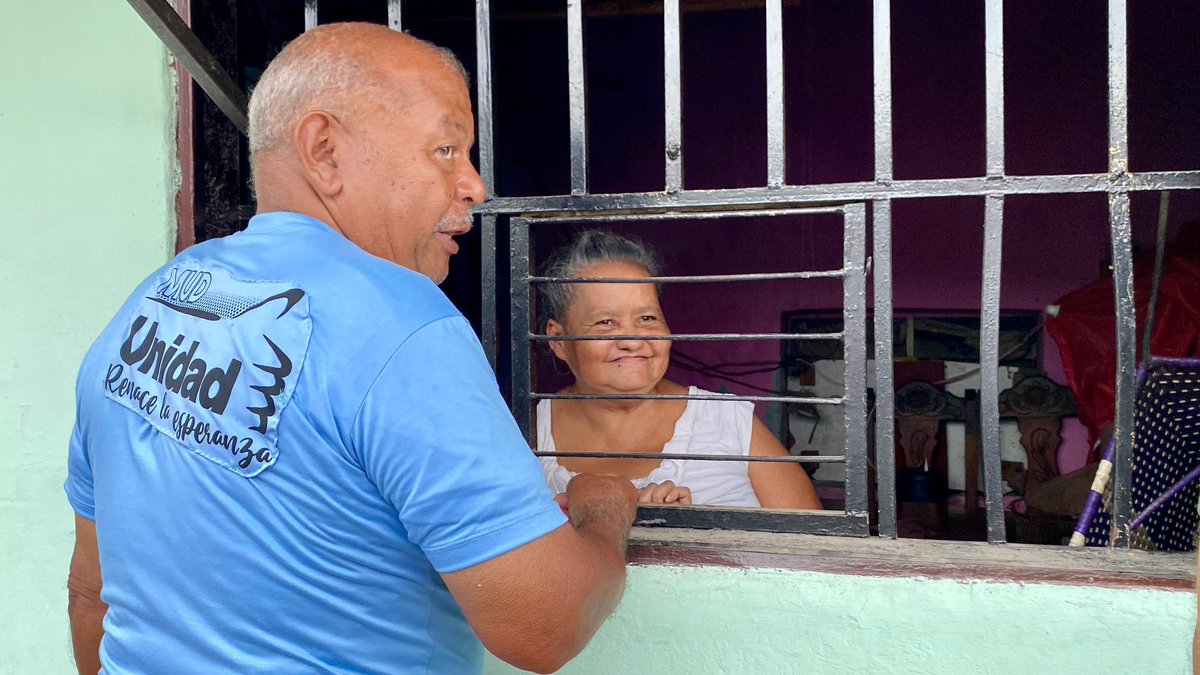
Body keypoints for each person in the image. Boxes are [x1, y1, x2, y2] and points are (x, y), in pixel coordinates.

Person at [65, 23, 638, 675]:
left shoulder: (149, 304)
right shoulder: (405, 323)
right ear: (325, 150)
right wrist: (605, 512)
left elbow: (92, 591)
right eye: (446, 149)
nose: (474, 187)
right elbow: (545, 624)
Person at [536, 230, 823, 509]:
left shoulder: (729, 421)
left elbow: (816, 547)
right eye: (605, 322)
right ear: (558, 340)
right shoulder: (529, 433)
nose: (633, 340)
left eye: (647, 318)